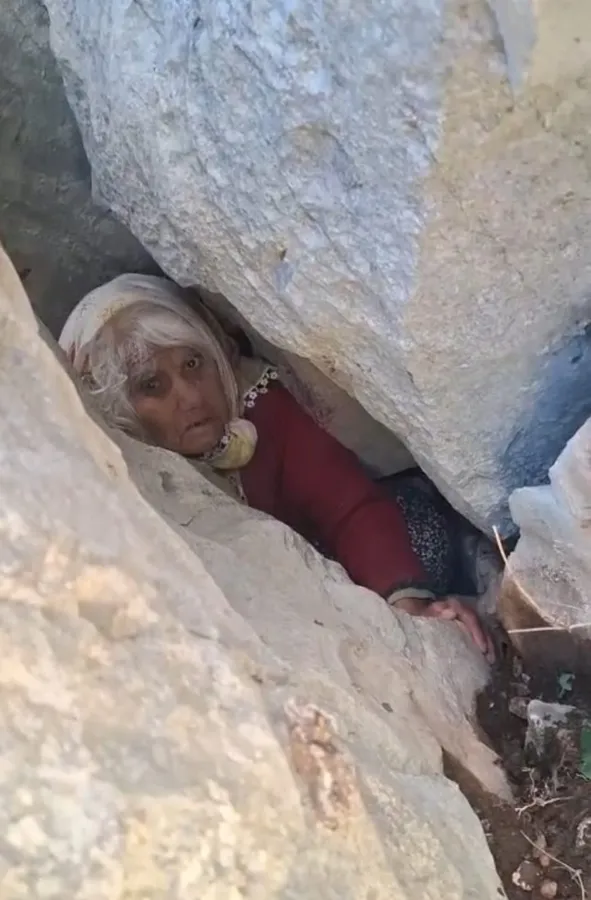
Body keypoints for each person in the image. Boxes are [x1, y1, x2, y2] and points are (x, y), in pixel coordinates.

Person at [59, 273, 495, 658]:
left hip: (317, 563)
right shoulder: (117, 478)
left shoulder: (259, 406)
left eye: (193, 363)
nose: (190, 397)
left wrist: (409, 609)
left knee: (420, 535)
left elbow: (346, 503)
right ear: (117, 410)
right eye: (152, 386)